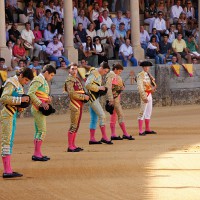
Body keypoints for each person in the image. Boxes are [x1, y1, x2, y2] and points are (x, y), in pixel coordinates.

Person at [1, 67, 34, 178]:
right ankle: (6, 170)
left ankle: (8, 169)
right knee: (6, 140)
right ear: (21, 76)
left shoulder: (19, 85)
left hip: (12, 113)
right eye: (25, 80)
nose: (25, 83)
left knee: (10, 140)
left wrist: (21, 107)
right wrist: (20, 100)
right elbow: (4, 98)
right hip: (7, 114)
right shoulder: (11, 82)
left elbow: (17, 101)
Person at [28, 65, 56, 161]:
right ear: (46, 72)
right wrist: (40, 103)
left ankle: (37, 153)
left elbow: (40, 94)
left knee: (39, 131)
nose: (51, 77)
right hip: (37, 108)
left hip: (39, 108)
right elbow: (30, 93)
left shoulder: (42, 80)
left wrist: (47, 100)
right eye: (51, 75)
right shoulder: (39, 79)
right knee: (42, 131)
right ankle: (36, 154)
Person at [85, 62, 113, 145]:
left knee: (94, 118)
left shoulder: (96, 73)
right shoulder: (95, 73)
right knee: (102, 116)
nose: (105, 73)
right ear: (101, 68)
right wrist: (99, 88)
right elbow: (87, 84)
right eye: (105, 71)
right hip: (92, 98)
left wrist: (101, 89)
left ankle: (92, 138)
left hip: (94, 97)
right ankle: (104, 137)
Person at [64, 63, 89, 152]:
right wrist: (83, 97)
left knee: (76, 125)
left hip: (79, 104)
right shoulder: (69, 80)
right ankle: (70, 146)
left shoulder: (76, 79)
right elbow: (71, 93)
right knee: (73, 125)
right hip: (75, 104)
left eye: (76, 69)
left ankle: (73, 145)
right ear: (69, 70)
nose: (75, 70)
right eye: (73, 69)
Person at [105, 64, 134, 140]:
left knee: (114, 117)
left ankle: (113, 134)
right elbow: (109, 87)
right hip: (114, 99)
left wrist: (121, 87)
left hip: (116, 98)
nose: (120, 72)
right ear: (115, 69)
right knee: (120, 115)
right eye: (119, 71)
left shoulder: (115, 76)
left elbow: (118, 87)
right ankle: (125, 134)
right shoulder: (111, 75)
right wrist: (111, 98)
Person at [137, 61, 157, 136]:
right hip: (145, 94)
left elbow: (148, 85)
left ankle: (147, 129)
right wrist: (143, 96)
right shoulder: (140, 75)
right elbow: (140, 86)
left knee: (148, 111)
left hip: (149, 94)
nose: (147, 68)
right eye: (145, 66)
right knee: (142, 112)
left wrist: (152, 88)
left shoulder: (148, 74)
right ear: (143, 67)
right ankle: (140, 130)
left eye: (148, 66)